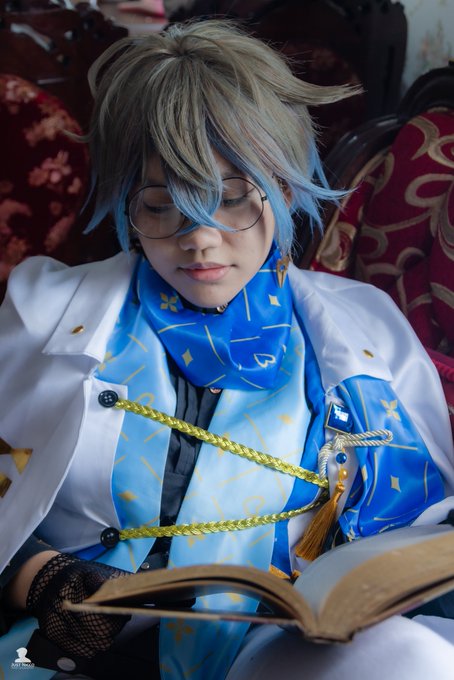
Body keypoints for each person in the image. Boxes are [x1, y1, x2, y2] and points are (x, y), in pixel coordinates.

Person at [0, 19, 454, 680]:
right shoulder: (44, 311)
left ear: (285, 188)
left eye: (233, 200)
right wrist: (37, 577)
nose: (200, 240)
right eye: (162, 206)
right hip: (71, 647)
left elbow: (424, 530)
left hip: (271, 649)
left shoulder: (365, 328)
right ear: (127, 207)